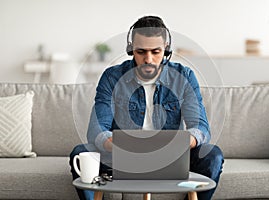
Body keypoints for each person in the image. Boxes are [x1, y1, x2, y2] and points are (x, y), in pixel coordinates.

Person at [70, 15, 223, 200]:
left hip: (172, 158)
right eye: (141, 51)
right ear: (130, 50)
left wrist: (183, 143)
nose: (148, 59)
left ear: (166, 50)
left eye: (156, 51)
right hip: (120, 158)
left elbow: (201, 127)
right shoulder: (112, 77)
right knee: (80, 152)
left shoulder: (184, 77)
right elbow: (96, 129)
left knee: (213, 156)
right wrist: (118, 145)